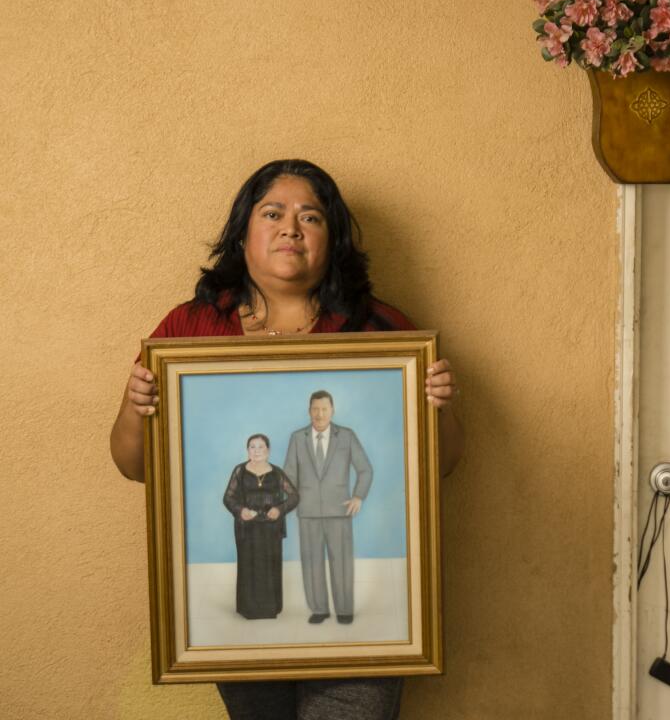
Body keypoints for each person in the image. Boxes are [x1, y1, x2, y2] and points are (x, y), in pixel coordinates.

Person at [110, 159, 464, 720]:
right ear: (244, 233)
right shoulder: (189, 330)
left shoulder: (383, 333)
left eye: (311, 217)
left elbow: (436, 467)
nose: (290, 228)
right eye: (272, 213)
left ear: (333, 239)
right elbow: (135, 466)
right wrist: (136, 407)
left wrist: (438, 407)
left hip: (365, 631)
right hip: (241, 628)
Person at [282, 390, 371, 624]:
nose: (319, 414)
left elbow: (365, 470)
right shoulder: (296, 438)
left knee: (341, 562)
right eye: (315, 409)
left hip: (340, 512)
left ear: (332, 410)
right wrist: (291, 502)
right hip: (307, 512)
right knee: (311, 562)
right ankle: (319, 609)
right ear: (309, 411)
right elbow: (288, 476)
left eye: (324, 409)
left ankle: (344, 610)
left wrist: (358, 497)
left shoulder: (347, 436)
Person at [223, 433, 300, 620]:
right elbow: (228, 497)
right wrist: (240, 510)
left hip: (270, 529)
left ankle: (270, 608)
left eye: (261, 447)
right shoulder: (239, 471)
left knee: (269, 566)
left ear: (268, 450)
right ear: (247, 450)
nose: (256, 451)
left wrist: (279, 509)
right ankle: (248, 609)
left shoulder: (276, 473)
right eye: (252, 447)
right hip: (246, 528)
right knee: (248, 565)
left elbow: (294, 497)